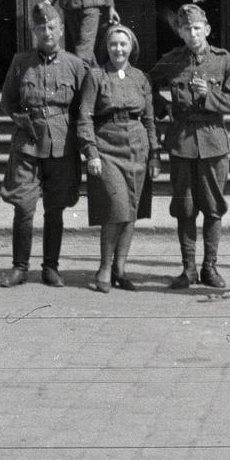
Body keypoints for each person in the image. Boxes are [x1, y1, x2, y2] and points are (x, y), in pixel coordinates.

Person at [148, 3, 230, 289]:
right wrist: (164, 108)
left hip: (214, 141)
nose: (193, 33)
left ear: (207, 30)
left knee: (214, 208)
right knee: (184, 208)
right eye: (186, 28)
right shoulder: (171, 60)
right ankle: (188, 268)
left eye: (197, 28)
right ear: (180, 31)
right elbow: (145, 86)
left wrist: (210, 95)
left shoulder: (224, 60)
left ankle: (210, 268)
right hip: (181, 143)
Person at [0, 0, 90, 288]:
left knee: (55, 207)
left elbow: (83, 108)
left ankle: (51, 267)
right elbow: (7, 101)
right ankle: (19, 267)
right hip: (27, 144)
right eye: (41, 28)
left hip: (62, 144)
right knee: (23, 207)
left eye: (51, 27)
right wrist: (18, 117)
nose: (46, 32)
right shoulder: (20, 62)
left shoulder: (76, 65)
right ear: (34, 32)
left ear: (61, 30)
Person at [78, 23, 159, 292]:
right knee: (116, 210)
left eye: (123, 44)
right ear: (106, 47)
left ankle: (120, 269)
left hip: (138, 148)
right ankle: (103, 267)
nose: (118, 49)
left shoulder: (141, 78)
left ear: (131, 47)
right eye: (113, 44)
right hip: (107, 148)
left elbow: (149, 119)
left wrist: (155, 154)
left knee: (131, 212)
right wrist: (91, 153)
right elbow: (85, 117)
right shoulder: (95, 76)